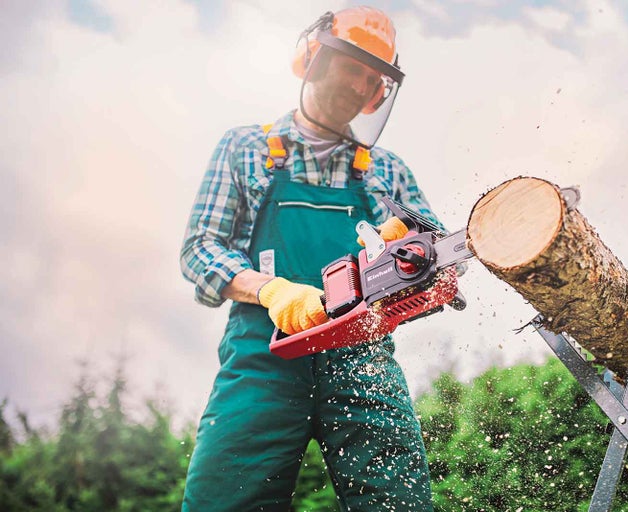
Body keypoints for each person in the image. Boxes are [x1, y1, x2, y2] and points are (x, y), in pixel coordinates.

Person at [180, 6, 448, 511]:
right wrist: (271, 289)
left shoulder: (387, 169)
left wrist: (412, 251)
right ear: (312, 57)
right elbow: (200, 249)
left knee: (398, 501)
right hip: (264, 355)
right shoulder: (246, 147)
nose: (359, 86)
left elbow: (431, 247)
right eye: (352, 66)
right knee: (224, 498)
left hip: (362, 356)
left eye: (373, 79)